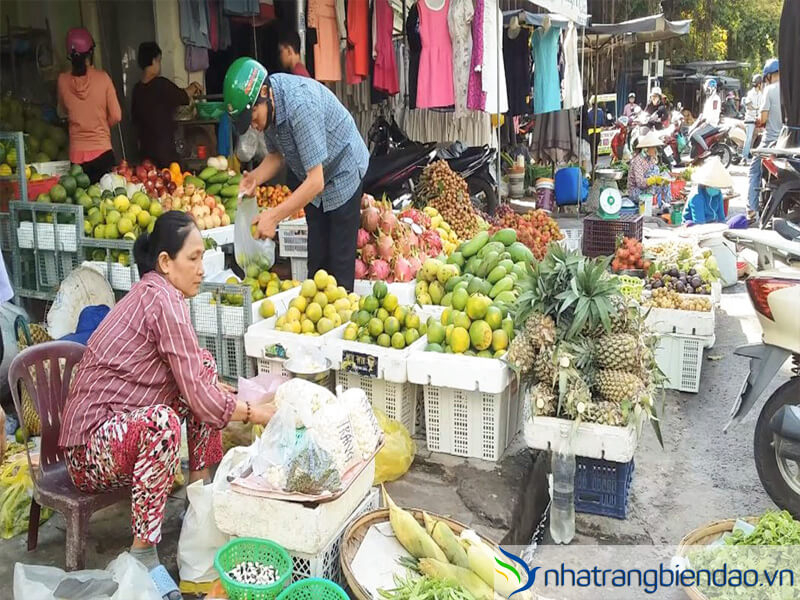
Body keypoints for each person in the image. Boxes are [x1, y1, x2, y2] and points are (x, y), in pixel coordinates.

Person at [58, 211, 274, 598]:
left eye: (201, 257)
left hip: (118, 431)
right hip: (88, 452)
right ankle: (143, 555)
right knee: (163, 423)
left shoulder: (159, 294)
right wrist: (254, 413)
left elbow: (196, 376)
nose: (200, 268)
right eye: (192, 258)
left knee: (204, 370)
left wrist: (226, 395)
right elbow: (200, 396)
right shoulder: (161, 299)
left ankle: (199, 502)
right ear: (164, 262)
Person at [224, 57, 369, 291]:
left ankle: (344, 319)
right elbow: (276, 156)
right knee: (317, 265)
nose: (254, 126)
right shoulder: (270, 107)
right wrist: (254, 178)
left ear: (264, 93)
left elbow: (315, 181)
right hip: (315, 178)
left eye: (252, 118)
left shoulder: (299, 105)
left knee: (339, 266)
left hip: (343, 170)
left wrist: (273, 216)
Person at [57, 28, 122, 183]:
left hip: (76, 158)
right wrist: (101, 124)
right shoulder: (103, 78)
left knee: (82, 203)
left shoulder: (62, 80)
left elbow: (61, 112)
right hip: (103, 154)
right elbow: (116, 115)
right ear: (91, 52)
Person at [132, 42, 202, 167]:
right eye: (159, 61)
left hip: (145, 151)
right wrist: (194, 86)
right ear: (154, 60)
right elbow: (183, 96)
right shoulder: (160, 85)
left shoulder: (137, 90)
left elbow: (135, 119)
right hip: (163, 151)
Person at [747, 58, 783, 221]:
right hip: (789, 142)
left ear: (768, 76)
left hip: (770, 142)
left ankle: (752, 209)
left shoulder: (769, 90)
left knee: (753, 169)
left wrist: (760, 122)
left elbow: (763, 118)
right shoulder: (792, 88)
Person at [627, 130, 671, 212]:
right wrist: (653, 179)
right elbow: (640, 183)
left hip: (648, 189)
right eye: (653, 148)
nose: (655, 150)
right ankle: (650, 205)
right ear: (646, 149)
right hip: (636, 192)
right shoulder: (637, 161)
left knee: (665, 176)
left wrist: (661, 180)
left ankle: (666, 205)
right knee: (654, 172)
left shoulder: (650, 159)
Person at [683, 156, 732, 225]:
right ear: (706, 184)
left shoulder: (717, 193)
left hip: (711, 223)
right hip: (696, 226)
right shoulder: (697, 196)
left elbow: (721, 217)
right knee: (690, 224)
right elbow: (699, 223)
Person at [690, 79, 722, 154]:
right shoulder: (709, 99)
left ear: (712, 88)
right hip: (706, 122)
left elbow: (714, 112)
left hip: (711, 124)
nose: (706, 91)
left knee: (695, 134)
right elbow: (706, 112)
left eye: (708, 89)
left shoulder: (715, 99)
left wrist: (706, 122)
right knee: (691, 133)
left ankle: (706, 150)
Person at [742, 74, 763, 162]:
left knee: (755, 137)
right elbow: (748, 106)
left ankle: (750, 154)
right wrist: (757, 108)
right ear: (759, 84)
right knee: (749, 138)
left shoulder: (761, 94)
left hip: (757, 119)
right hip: (750, 119)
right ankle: (744, 156)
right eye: (761, 83)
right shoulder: (750, 93)